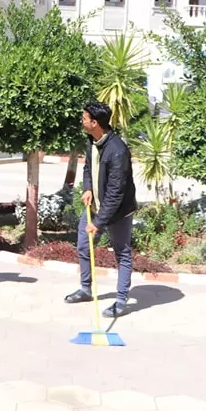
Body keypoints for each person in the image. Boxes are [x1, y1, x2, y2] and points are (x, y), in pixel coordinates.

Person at [64, 101, 138, 318]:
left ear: (95, 123)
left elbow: (116, 193)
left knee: (122, 253)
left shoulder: (118, 151)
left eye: (84, 118)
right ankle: (86, 289)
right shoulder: (92, 141)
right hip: (95, 206)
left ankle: (121, 301)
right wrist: (87, 188)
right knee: (83, 246)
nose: (82, 120)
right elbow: (88, 167)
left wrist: (98, 223)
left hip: (118, 212)